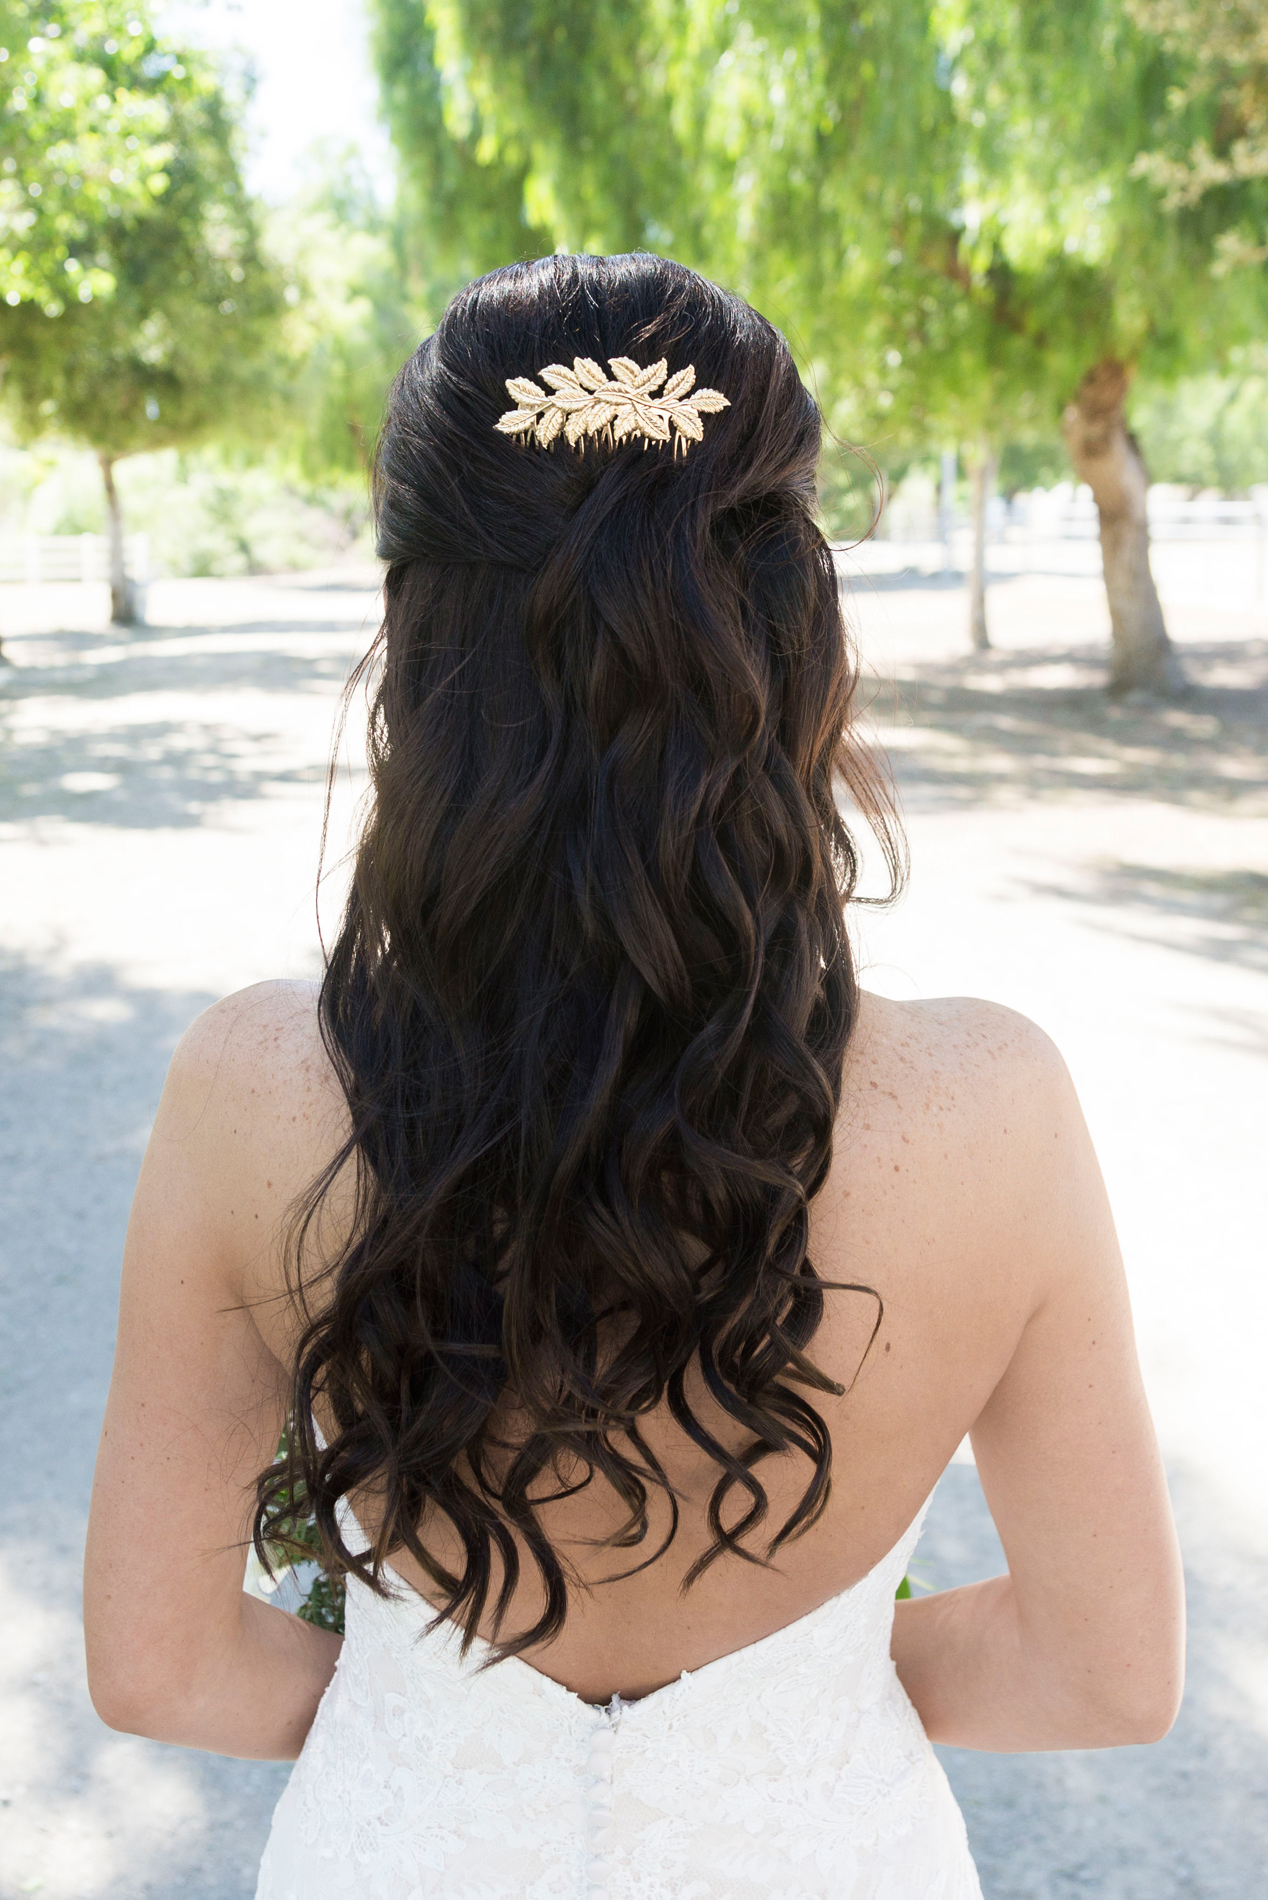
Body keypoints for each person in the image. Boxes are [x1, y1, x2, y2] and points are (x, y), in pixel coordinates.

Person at [84, 253, 1184, 1900]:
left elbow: (156, 1664)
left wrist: (443, 1733)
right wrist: (781, 1719)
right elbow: (1105, 1674)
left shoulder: (254, 1086)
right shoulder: (993, 1106)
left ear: (412, 636)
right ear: (800, 623)